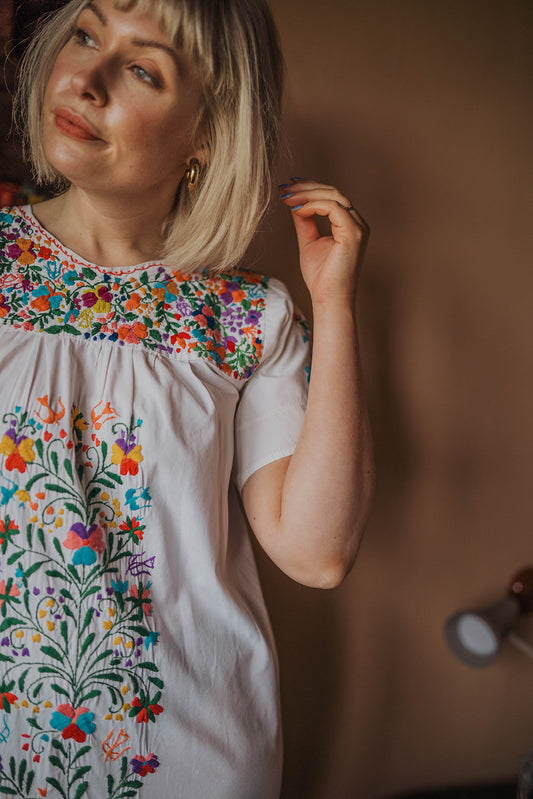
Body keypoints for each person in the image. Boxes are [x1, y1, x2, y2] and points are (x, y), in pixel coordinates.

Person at [0, 0, 374, 796]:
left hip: (188, 760)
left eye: (141, 68)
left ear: (207, 132)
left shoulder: (247, 317)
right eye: (85, 34)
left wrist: (332, 303)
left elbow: (316, 550)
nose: (87, 78)